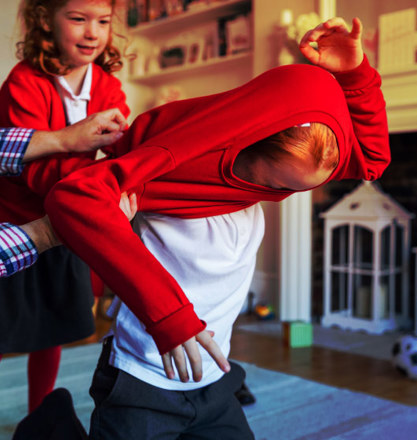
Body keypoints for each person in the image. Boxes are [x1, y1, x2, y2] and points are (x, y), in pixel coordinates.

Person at [44, 16, 390, 439]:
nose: (282, 196)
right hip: (142, 380)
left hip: (215, 380)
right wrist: (170, 317)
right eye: (276, 185)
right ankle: (49, 427)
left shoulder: (275, 179)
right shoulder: (173, 164)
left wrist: (354, 76)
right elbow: (73, 197)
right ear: (247, 140)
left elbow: (371, 161)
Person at [0, 0, 130, 414]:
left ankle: (40, 412)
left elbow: (119, 150)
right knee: (3, 324)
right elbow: (27, 167)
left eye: (103, 21)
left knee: (52, 326)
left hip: (66, 222)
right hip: (17, 222)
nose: (92, 32)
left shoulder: (108, 86)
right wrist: (88, 197)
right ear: (45, 21)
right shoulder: (24, 81)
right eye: (78, 19)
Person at [0, 109, 128, 278]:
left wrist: (63, 139)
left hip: (58, 237)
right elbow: (35, 172)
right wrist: (49, 232)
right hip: (26, 225)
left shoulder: (110, 90)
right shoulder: (22, 85)